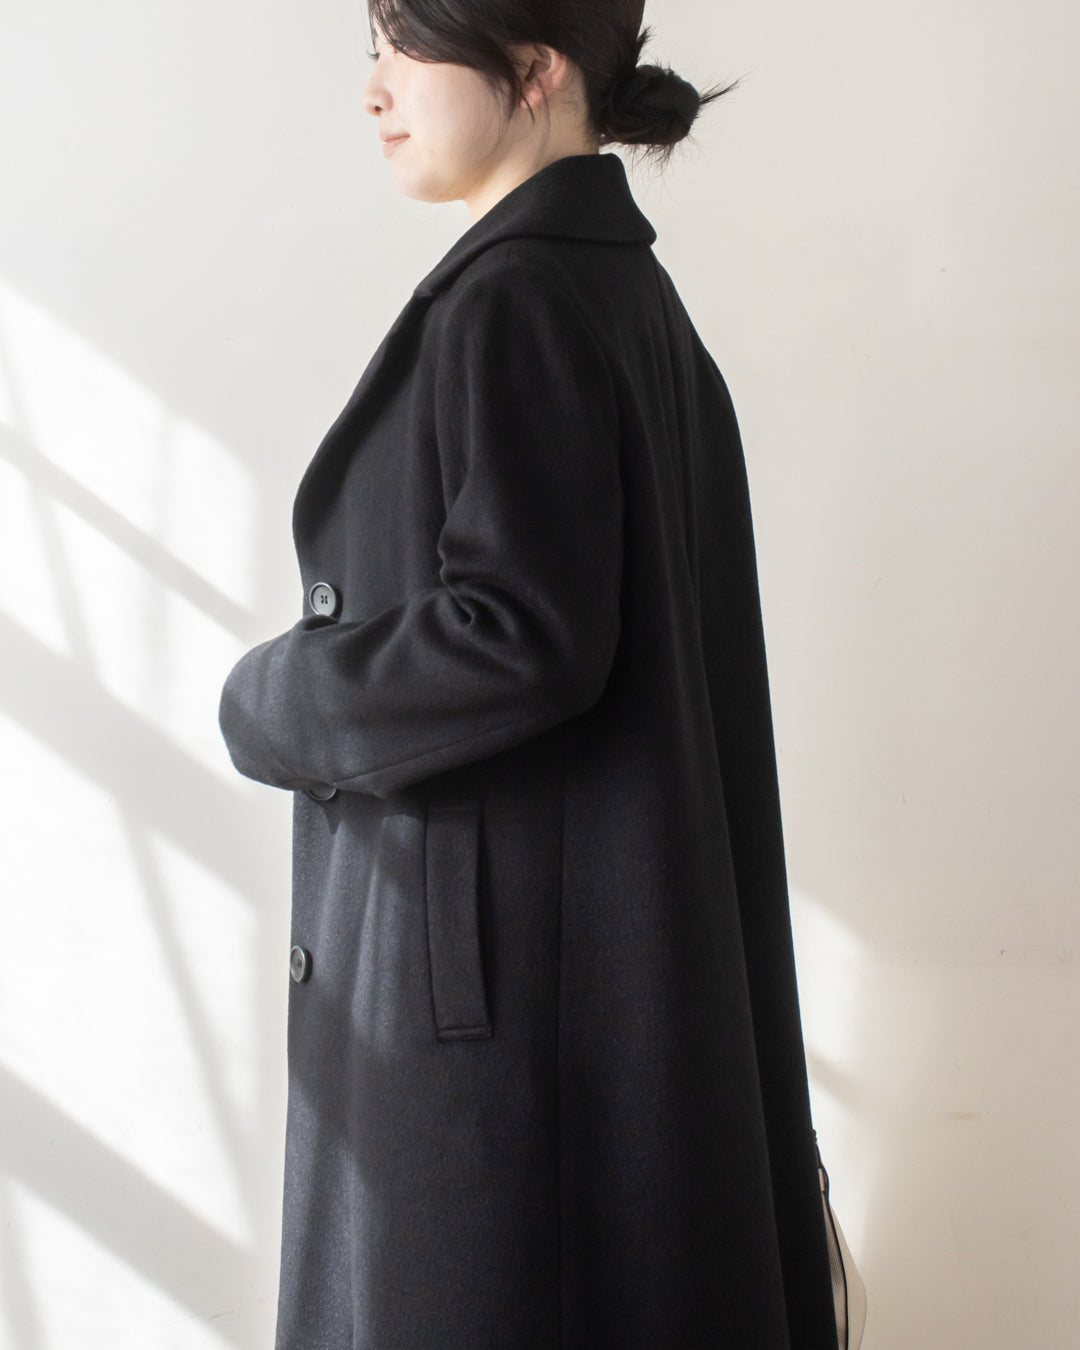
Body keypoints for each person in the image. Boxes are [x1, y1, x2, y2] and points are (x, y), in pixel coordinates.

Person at [218, 1, 839, 1346]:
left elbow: (518, 633)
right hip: (576, 1007)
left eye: (406, 47)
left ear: (536, 69)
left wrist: (272, 697)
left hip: (504, 1050)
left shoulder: (519, 300)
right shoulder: (620, 299)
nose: (374, 91)